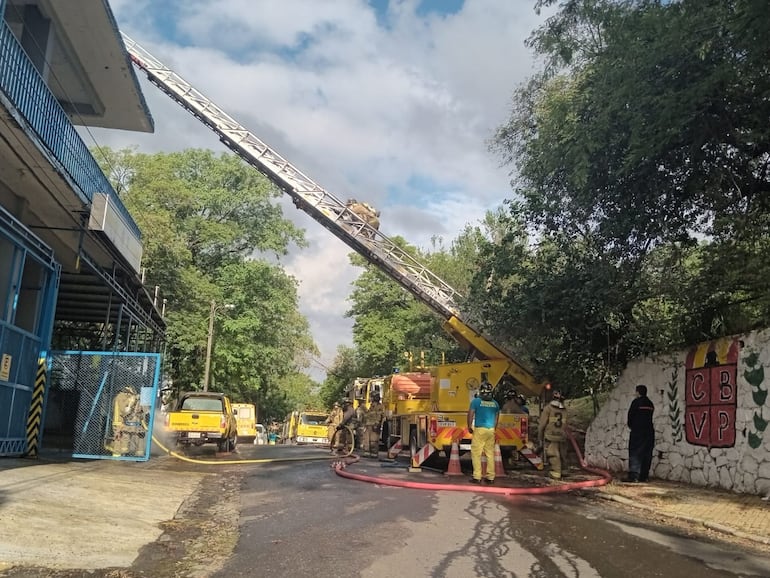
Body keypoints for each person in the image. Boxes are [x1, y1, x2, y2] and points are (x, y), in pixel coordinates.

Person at [467, 381, 500, 485]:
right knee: (490, 454)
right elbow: (496, 417)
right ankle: (490, 477)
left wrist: (469, 426)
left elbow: (471, 414)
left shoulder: (476, 402)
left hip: (480, 430)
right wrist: (493, 428)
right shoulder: (495, 403)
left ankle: (477, 477)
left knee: (476, 453)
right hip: (490, 430)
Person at [626, 384, 655, 483]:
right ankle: (644, 476)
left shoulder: (636, 402)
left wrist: (631, 426)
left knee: (635, 452)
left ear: (638, 392)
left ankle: (634, 475)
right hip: (649, 431)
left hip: (638, 431)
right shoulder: (650, 403)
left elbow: (630, 416)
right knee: (647, 453)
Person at [538, 389, 568, 479]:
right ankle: (564, 470)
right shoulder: (565, 410)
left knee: (553, 453)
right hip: (562, 435)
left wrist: (539, 437)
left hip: (550, 435)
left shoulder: (548, 408)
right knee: (563, 453)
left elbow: (542, 425)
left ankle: (556, 472)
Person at [362, 393, 385, 457]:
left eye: (372, 397)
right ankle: (367, 452)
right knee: (366, 439)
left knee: (373, 440)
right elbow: (369, 415)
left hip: (374, 425)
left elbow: (380, 415)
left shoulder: (379, 406)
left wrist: (377, 424)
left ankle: (374, 453)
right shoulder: (372, 405)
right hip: (369, 425)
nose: (370, 398)